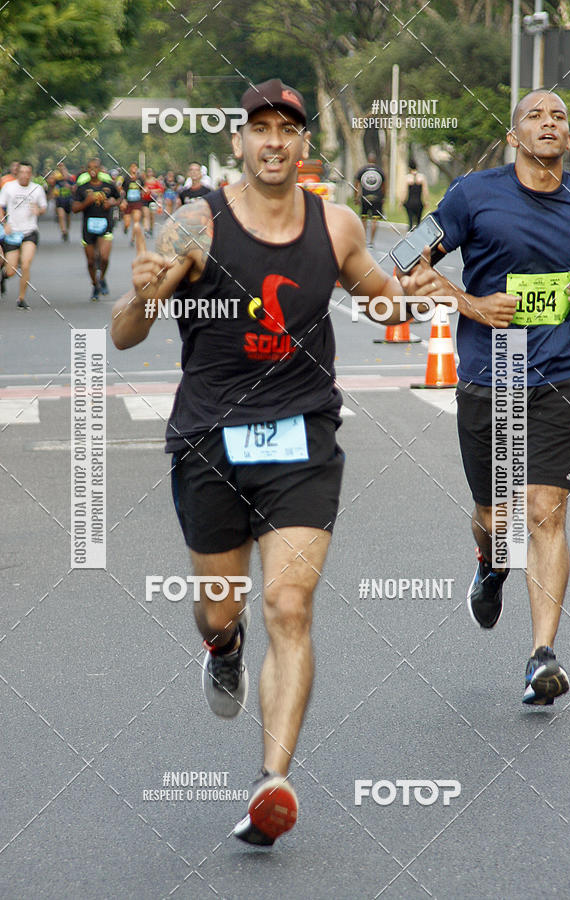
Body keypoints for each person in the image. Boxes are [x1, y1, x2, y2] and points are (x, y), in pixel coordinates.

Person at [111, 77, 428, 846]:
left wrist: (413, 298)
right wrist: (145, 294)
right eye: (260, 128)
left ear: (304, 144)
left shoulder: (339, 224)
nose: (274, 141)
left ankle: (272, 782)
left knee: (289, 605)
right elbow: (126, 334)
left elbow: (382, 300)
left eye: (288, 127)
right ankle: (223, 647)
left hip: (303, 439)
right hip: (209, 441)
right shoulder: (198, 224)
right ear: (240, 142)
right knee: (221, 608)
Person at [400, 90, 570, 706]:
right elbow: (406, 264)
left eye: (559, 116)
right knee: (500, 519)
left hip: (563, 376)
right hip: (491, 377)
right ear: (514, 137)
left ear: (569, 135)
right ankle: (491, 562)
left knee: (546, 510)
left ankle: (542, 656)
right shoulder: (472, 195)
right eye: (535, 116)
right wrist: (471, 304)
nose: (549, 123)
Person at [0, 162, 47, 309]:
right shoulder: (9, 187)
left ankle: (21, 298)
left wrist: (38, 211)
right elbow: (1, 207)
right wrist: (4, 223)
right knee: (11, 270)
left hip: (30, 232)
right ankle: (4, 277)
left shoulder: (37, 189)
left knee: (26, 264)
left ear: (31, 174)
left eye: (28, 172)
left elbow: (43, 207)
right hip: (13, 232)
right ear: (17, 173)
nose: (25, 175)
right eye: (22, 172)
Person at [72, 158, 120, 300]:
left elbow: (118, 199)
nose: (93, 170)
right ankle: (95, 284)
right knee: (91, 261)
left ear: (100, 169)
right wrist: (88, 201)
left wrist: (112, 203)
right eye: (90, 167)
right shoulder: (82, 188)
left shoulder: (108, 186)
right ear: (87, 170)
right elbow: (74, 208)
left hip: (105, 225)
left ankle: (102, 278)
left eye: (96, 167)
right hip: (88, 227)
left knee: (104, 258)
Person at [355, 151, 385, 248]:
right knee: (374, 220)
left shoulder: (362, 170)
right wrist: (383, 197)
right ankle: (371, 241)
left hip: (365, 198)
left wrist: (356, 197)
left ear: (368, 160)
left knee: (364, 219)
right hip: (377, 198)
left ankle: (364, 240)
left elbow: (357, 184)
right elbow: (384, 185)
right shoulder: (380, 170)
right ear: (375, 160)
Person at [120, 163, 145, 245]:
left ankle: (132, 239)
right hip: (128, 202)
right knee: (127, 222)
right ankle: (125, 227)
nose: (134, 169)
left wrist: (145, 191)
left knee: (136, 222)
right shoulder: (126, 178)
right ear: (130, 168)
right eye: (132, 167)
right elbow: (122, 189)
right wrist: (123, 200)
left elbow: (144, 188)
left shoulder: (140, 179)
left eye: (135, 167)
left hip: (137, 202)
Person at [402, 157, 428, 230]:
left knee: (410, 221)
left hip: (410, 203)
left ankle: (410, 234)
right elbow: (425, 191)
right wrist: (426, 201)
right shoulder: (422, 177)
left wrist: (401, 202)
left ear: (409, 168)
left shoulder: (407, 178)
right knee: (418, 222)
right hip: (419, 202)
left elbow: (405, 192)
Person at [53, 162, 75, 241]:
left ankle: (67, 230)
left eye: (64, 171)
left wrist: (70, 187)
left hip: (68, 200)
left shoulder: (71, 179)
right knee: (61, 216)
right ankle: (63, 231)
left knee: (68, 217)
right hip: (60, 200)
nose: (63, 173)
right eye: (61, 171)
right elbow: (52, 186)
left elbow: (74, 189)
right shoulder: (57, 180)